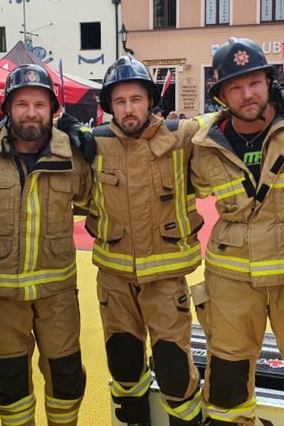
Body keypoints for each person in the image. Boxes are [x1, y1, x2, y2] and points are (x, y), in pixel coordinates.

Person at [189, 38, 284, 426]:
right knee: (226, 378)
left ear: (270, 83)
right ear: (221, 96)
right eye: (235, 87)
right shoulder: (204, 143)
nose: (247, 94)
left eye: (254, 82)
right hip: (231, 279)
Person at [0, 64, 92, 426]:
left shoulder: (74, 156)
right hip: (1, 297)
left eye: (40, 104)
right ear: (7, 108)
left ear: (53, 110)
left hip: (57, 295)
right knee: (10, 383)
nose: (31, 113)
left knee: (66, 378)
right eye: (22, 104)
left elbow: (99, 200)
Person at [86, 54, 208, 426]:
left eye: (136, 99)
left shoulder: (181, 137)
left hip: (166, 280)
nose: (128, 109)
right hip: (114, 278)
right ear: (109, 105)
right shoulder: (93, 144)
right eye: (120, 101)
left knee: (173, 365)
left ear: (150, 100)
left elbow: (227, 118)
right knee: (123, 361)